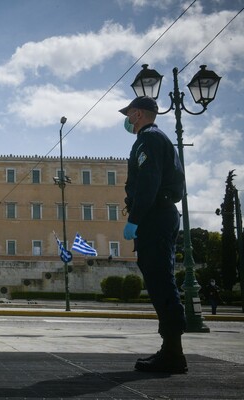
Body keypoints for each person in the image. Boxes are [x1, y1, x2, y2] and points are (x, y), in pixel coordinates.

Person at [120, 96, 187, 374]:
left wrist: (135, 219)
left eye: (128, 114)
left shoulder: (148, 139)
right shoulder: (159, 139)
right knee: (160, 280)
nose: (126, 119)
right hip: (161, 213)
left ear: (137, 114)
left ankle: (173, 353)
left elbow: (148, 181)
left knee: (161, 282)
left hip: (154, 216)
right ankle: (171, 350)